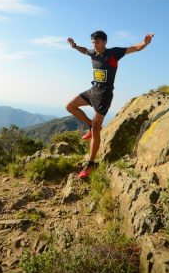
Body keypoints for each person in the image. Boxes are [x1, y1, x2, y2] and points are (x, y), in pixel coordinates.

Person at [66, 30, 154, 179]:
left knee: (95, 131)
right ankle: (91, 126)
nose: (95, 45)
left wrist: (145, 42)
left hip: (104, 96)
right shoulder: (93, 53)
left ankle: (91, 164)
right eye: (93, 42)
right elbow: (84, 51)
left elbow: (134, 48)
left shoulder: (114, 53)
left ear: (105, 42)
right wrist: (74, 46)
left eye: (98, 42)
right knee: (70, 106)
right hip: (93, 91)